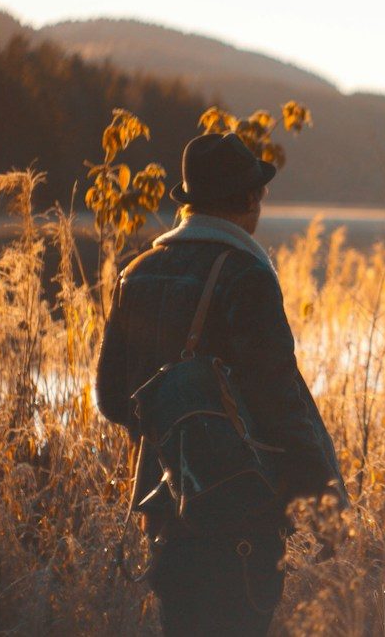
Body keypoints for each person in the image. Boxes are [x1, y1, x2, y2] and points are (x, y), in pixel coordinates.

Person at [96, 132, 346, 636]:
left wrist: (179, 423)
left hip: (165, 510)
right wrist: (324, 501)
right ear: (251, 199)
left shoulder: (136, 273)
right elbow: (279, 402)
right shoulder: (245, 275)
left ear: (190, 200)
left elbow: (112, 399)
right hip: (240, 517)